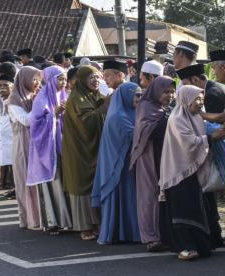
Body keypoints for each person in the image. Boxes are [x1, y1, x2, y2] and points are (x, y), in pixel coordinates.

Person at [159, 85, 225, 260]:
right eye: (196, 99)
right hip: (179, 172)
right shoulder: (177, 119)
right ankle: (184, 247)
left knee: (196, 209)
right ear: (186, 99)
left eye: (201, 99)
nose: (200, 102)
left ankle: (201, 245)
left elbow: (204, 131)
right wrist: (211, 138)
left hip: (192, 171)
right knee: (183, 210)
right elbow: (187, 144)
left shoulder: (195, 117)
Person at [62, 66, 111, 241]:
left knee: (93, 187)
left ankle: (95, 223)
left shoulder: (93, 97)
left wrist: (103, 104)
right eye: (91, 77)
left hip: (92, 150)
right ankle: (84, 226)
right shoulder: (76, 99)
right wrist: (104, 107)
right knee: (81, 186)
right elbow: (87, 123)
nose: (96, 80)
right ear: (82, 80)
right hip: (79, 152)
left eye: (98, 77)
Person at [92, 82, 141, 245]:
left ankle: (128, 232)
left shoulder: (130, 112)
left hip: (127, 165)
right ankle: (119, 233)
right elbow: (133, 135)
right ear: (126, 96)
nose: (139, 99)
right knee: (122, 198)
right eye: (137, 95)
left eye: (140, 95)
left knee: (129, 199)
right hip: (118, 167)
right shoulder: (118, 116)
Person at [130, 76, 175, 251]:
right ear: (156, 90)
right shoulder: (146, 106)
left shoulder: (163, 108)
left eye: (172, 92)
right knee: (149, 197)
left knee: (163, 195)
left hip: (162, 155)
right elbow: (149, 130)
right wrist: (169, 120)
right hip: (148, 156)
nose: (169, 95)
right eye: (166, 92)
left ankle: (163, 235)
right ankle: (150, 238)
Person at [26, 65, 72, 235]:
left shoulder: (64, 95)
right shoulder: (42, 98)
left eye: (65, 79)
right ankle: (53, 222)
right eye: (60, 79)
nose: (63, 83)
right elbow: (35, 125)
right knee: (52, 183)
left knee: (64, 183)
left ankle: (68, 220)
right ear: (51, 79)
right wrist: (54, 114)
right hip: (46, 149)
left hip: (61, 146)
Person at [7, 66, 42, 230]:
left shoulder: (32, 96)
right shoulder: (14, 100)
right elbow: (26, 120)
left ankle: (42, 216)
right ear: (24, 80)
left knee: (38, 182)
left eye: (38, 79)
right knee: (26, 181)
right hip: (23, 144)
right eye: (33, 79)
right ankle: (29, 218)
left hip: (36, 143)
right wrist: (38, 104)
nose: (36, 83)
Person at [0, 75, 15, 191]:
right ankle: (3, 183)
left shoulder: (15, 100)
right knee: (4, 159)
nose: (2, 88)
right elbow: (0, 118)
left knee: (13, 161)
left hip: (12, 136)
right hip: (2, 135)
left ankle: (12, 185)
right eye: (0, 85)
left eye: (6, 85)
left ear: (12, 86)